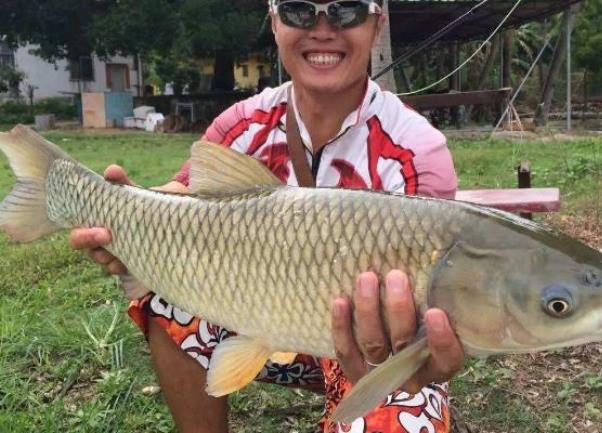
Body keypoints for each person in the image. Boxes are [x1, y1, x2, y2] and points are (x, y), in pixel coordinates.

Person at [70, 1, 465, 432]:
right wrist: (122, 222)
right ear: (275, 22)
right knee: (166, 299)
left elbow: (428, 321)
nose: (322, 30)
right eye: (299, 11)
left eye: (346, 11)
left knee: (399, 401)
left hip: (375, 344)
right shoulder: (240, 125)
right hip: (262, 321)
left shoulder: (416, 150)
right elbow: (179, 200)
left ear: (377, 22)